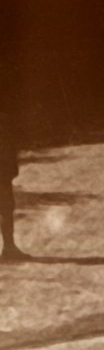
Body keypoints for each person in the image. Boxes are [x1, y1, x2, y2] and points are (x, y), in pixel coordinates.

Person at [0, 106, 25, 263]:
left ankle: (9, 248)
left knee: (6, 210)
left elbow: (9, 148)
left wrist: (12, 169)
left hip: (3, 175)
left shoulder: (4, 120)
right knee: (6, 210)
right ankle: (9, 248)